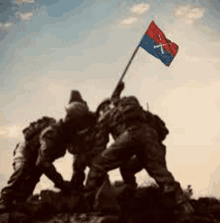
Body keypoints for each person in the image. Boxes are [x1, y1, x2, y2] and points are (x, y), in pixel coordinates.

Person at [85, 81, 194, 214]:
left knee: (97, 164)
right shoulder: (141, 113)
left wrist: (95, 157)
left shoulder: (106, 116)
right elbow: (163, 131)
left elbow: (100, 146)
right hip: (151, 138)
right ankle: (182, 204)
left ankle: (87, 199)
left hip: (131, 136)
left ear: (103, 108)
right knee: (155, 172)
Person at [0, 116, 57, 212]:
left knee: (35, 175)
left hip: (36, 153)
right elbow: (27, 135)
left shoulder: (54, 132)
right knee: (21, 169)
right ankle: (4, 200)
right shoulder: (50, 127)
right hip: (24, 149)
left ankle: (21, 201)